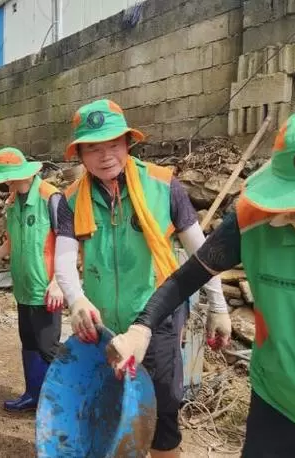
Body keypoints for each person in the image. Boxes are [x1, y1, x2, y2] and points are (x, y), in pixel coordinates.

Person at [107, 109, 295, 458]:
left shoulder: (161, 186)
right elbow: (187, 276)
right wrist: (142, 329)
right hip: (280, 391)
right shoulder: (252, 221)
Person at [53, 99, 230, 457]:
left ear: (128, 143)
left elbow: (203, 254)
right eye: (94, 148)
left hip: (158, 319)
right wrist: (76, 300)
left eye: (114, 144)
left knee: (163, 413)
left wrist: (219, 306)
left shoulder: (163, 185)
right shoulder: (71, 199)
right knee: (111, 407)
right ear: (81, 155)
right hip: (102, 324)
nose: (106, 156)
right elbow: (64, 260)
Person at [0, 147, 64, 412]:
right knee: (28, 340)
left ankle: (63, 404)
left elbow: (69, 242)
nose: (4, 184)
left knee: (49, 347)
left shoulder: (51, 197)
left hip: (47, 289)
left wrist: (59, 281)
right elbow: (11, 242)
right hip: (24, 287)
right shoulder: (13, 203)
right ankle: (33, 394)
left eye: (7, 178)